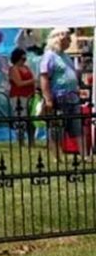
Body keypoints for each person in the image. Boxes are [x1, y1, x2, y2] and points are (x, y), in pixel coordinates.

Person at [40, 27, 84, 162]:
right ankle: (57, 156)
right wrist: (48, 98)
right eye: (67, 39)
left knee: (77, 126)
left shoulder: (65, 56)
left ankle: (84, 154)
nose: (70, 42)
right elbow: (44, 77)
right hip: (59, 96)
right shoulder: (49, 56)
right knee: (57, 128)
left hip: (72, 95)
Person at [8, 47, 37, 147]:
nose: (24, 61)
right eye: (22, 59)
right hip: (18, 96)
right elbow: (19, 83)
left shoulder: (27, 68)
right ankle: (21, 141)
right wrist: (32, 81)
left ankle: (32, 140)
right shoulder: (13, 69)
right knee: (20, 119)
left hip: (30, 96)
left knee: (31, 119)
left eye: (25, 59)